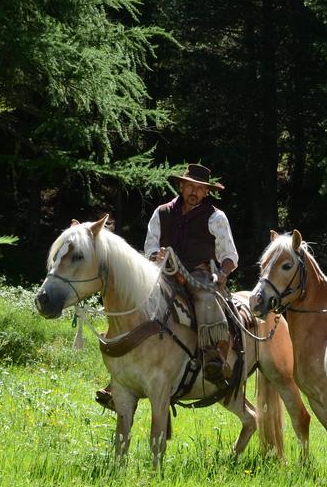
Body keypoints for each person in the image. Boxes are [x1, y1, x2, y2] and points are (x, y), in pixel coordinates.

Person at [95, 163, 238, 409]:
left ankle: (211, 356)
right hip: (162, 273)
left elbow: (229, 255)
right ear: (181, 186)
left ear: (207, 193)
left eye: (200, 189)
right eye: (190, 186)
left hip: (198, 274)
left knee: (204, 300)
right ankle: (118, 376)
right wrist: (156, 256)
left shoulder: (216, 217)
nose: (194, 192)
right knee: (136, 303)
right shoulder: (162, 212)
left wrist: (223, 273)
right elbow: (150, 246)